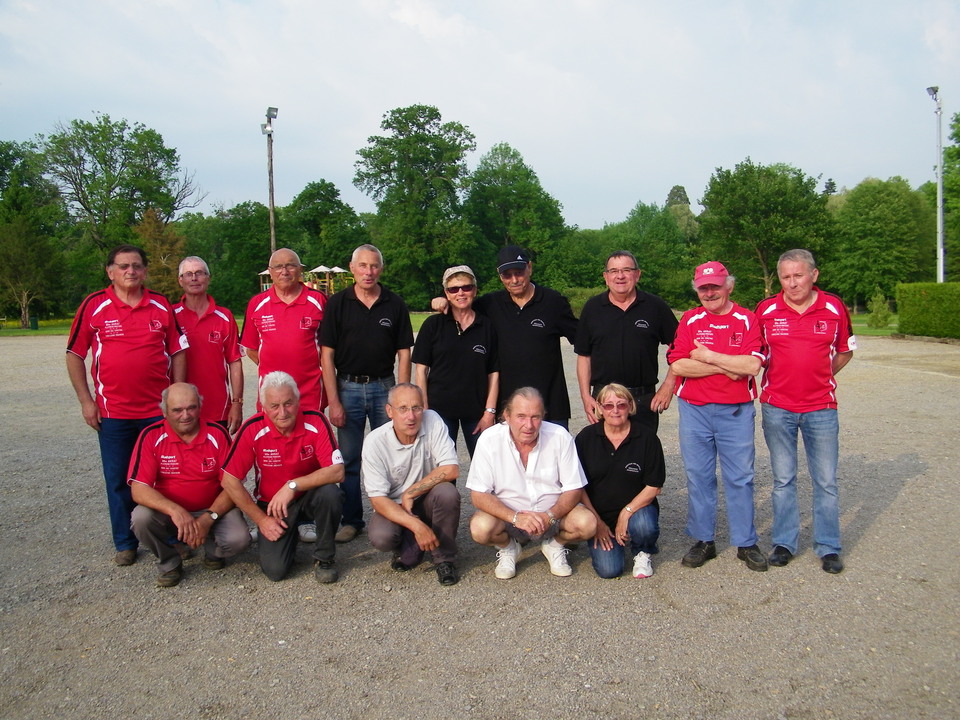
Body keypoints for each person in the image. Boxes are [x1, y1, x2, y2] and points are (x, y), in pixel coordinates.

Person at [66, 244, 188, 566]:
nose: (130, 271)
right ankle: (125, 541)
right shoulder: (94, 305)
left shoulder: (161, 304)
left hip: (156, 413)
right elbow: (75, 355)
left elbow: (178, 351)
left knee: (165, 477)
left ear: (145, 271)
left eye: (136, 266)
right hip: (113, 414)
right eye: (123, 266)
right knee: (119, 479)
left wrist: (175, 395)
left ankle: (172, 537)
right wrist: (86, 401)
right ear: (110, 271)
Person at [756, 249, 856, 574]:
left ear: (814, 275)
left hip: (821, 408)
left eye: (798, 275)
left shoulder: (834, 307)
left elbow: (844, 351)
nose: (792, 283)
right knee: (783, 479)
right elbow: (752, 354)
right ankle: (784, 543)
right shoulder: (767, 309)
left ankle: (828, 547)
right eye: (785, 277)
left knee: (825, 481)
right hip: (777, 407)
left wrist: (820, 376)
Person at [667, 261, 768, 572]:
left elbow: (752, 366)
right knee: (699, 476)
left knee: (740, 477)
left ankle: (746, 541)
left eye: (715, 286)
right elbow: (679, 365)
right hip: (694, 410)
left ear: (729, 286)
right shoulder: (691, 319)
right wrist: (727, 365)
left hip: (735, 411)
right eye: (703, 288)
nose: (709, 293)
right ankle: (704, 539)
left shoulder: (746, 319)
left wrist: (709, 356)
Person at [321, 244, 414, 544]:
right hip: (347, 387)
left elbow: (404, 352)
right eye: (362, 266)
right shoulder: (337, 304)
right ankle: (352, 520)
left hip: (384, 387)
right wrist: (333, 400)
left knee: (393, 455)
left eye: (374, 266)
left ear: (381, 269)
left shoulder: (394, 303)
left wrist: (400, 397)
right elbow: (326, 355)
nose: (368, 272)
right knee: (349, 459)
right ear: (352, 268)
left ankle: (392, 515)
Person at [221, 371, 344, 583]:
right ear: (263, 406)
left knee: (330, 493)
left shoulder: (316, 420)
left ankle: (324, 557)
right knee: (275, 572)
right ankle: (289, 535)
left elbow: (337, 471)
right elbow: (228, 479)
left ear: (298, 401)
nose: (282, 412)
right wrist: (261, 520)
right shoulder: (253, 428)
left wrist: (293, 485)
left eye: (288, 403)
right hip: (272, 506)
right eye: (274, 406)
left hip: (307, 497)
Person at [240, 247, 329, 543]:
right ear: (270, 271)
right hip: (272, 398)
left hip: (309, 393)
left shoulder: (317, 301)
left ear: (300, 270)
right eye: (278, 267)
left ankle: (306, 515)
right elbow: (252, 349)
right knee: (268, 453)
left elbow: (328, 349)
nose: (284, 271)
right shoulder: (257, 303)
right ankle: (266, 508)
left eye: (290, 266)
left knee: (310, 455)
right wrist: (276, 380)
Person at [435, 246, 577, 427]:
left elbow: (583, 340)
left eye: (519, 272)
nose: (514, 280)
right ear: (499, 275)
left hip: (550, 405)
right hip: (508, 408)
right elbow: (462, 303)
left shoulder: (553, 302)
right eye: (507, 275)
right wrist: (441, 300)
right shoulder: (489, 305)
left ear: (530, 268)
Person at [128, 383, 250, 587]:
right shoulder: (151, 436)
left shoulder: (217, 434)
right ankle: (170, 563)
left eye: (191, 408)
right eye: (177, 410)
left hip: (212, 509)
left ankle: (213, 551)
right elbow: (139, 489)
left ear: (200, 407)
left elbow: (233, 486)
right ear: (165, 411)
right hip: (170, 512)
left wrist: (208, 518)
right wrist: (176, 511)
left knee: (239, 539)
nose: (185, 415)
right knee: (141, 518)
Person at [466, 387, 596, 579]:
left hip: (553, 516)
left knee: (587, 524)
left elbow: (573, 488)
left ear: (543, 416)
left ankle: (554, 545)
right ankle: (509, 548)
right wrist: (515, 517)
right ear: (506, 416)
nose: (529, 425)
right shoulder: (489, 440)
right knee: (480, 528)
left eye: (535, 417)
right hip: (509, 517)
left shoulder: (559, 436)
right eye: (521, 416)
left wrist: (549, 516)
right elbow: (478, 495)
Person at [361, 384, 461, 585]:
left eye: (416, 408)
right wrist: (416, 525)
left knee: (448, 493)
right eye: (403, 409)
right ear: (390, 411)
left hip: (426, 498)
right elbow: (378, 499)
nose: (411, 416)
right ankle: (410, 541)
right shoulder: (374, 442)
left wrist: (410, 493)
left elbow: (451, 469)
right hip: (394, 506)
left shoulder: (433, 420)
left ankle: (444, 559)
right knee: (382, 536)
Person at [575, 250, 679, 434]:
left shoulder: (655, 307)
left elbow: (680, 348)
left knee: (642, 456)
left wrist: (668, 386)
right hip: (604, 400)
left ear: (637, 274)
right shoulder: (592, 308)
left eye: (626, 270)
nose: (620, 276)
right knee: (606, 457)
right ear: (606, 277)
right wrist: (585, 396)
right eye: (614, 271)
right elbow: (584, 356)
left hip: (643, 400)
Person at [575, 383, 665, 579]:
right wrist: (597, 522)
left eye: (621, 405)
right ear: (599, 408)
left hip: (637, 510)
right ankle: (612, 536)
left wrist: (626, 513)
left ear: (630, 406)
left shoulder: (646, 437)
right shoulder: (585, 438)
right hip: (600, 514)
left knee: (643, 526)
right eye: (608, 405)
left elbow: (654, 486)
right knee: (610, 571)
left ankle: (642, 550)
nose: (615, 410)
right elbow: (578, 486)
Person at [413, 265, 499, 458]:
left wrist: (489, 412)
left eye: (466, 287)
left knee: (485, 467)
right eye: (454, 289)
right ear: (447, 293)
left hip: (476, 412)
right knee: (442, 469)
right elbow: (420, 371)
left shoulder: (486, 326)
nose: (461, 293)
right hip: (439, 411)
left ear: (475, 290)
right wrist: (425, 409)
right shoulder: (433, 325)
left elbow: (494, 372)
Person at [174, 256, 244, 434]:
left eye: (199, 273)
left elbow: (234, 362)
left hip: (217, 408)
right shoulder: (170, 315)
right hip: (180, 408)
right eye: (188, 274)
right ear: (180, 280)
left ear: (208, 278)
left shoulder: (225, 317)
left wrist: (237, 403)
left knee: (219, 461)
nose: (194, 278)